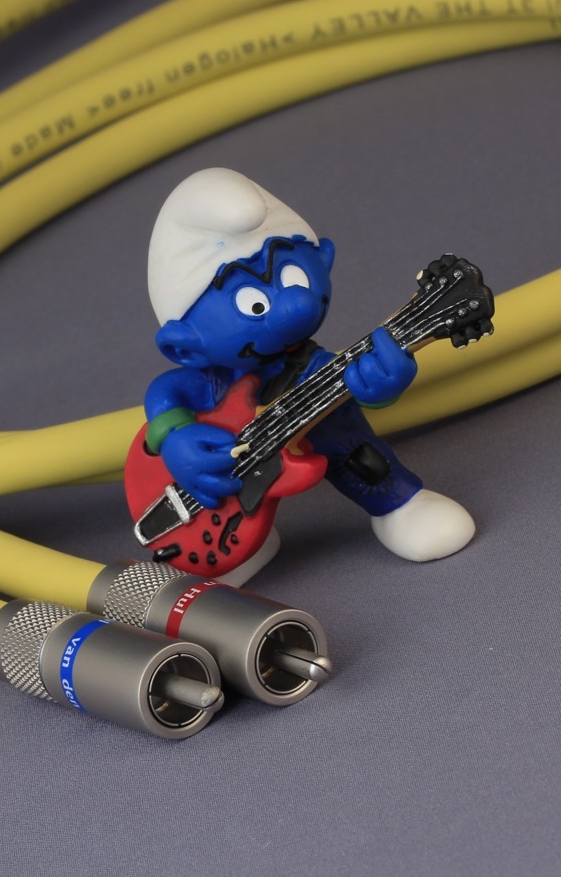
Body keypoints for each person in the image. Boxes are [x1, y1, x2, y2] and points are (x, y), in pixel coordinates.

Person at [136, 168, 474, 582]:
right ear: (183, 347)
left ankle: (397, 503)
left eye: (292, 276)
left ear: (324, 259)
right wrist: (174, 437)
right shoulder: (212, 383)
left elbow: (359, 384)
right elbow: (166, 393)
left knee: (348, 442)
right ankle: (245, 542)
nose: (294, 304)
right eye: (255, 302)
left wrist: (382, 384)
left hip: (322, 419)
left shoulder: (313, 365)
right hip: (218, 514)